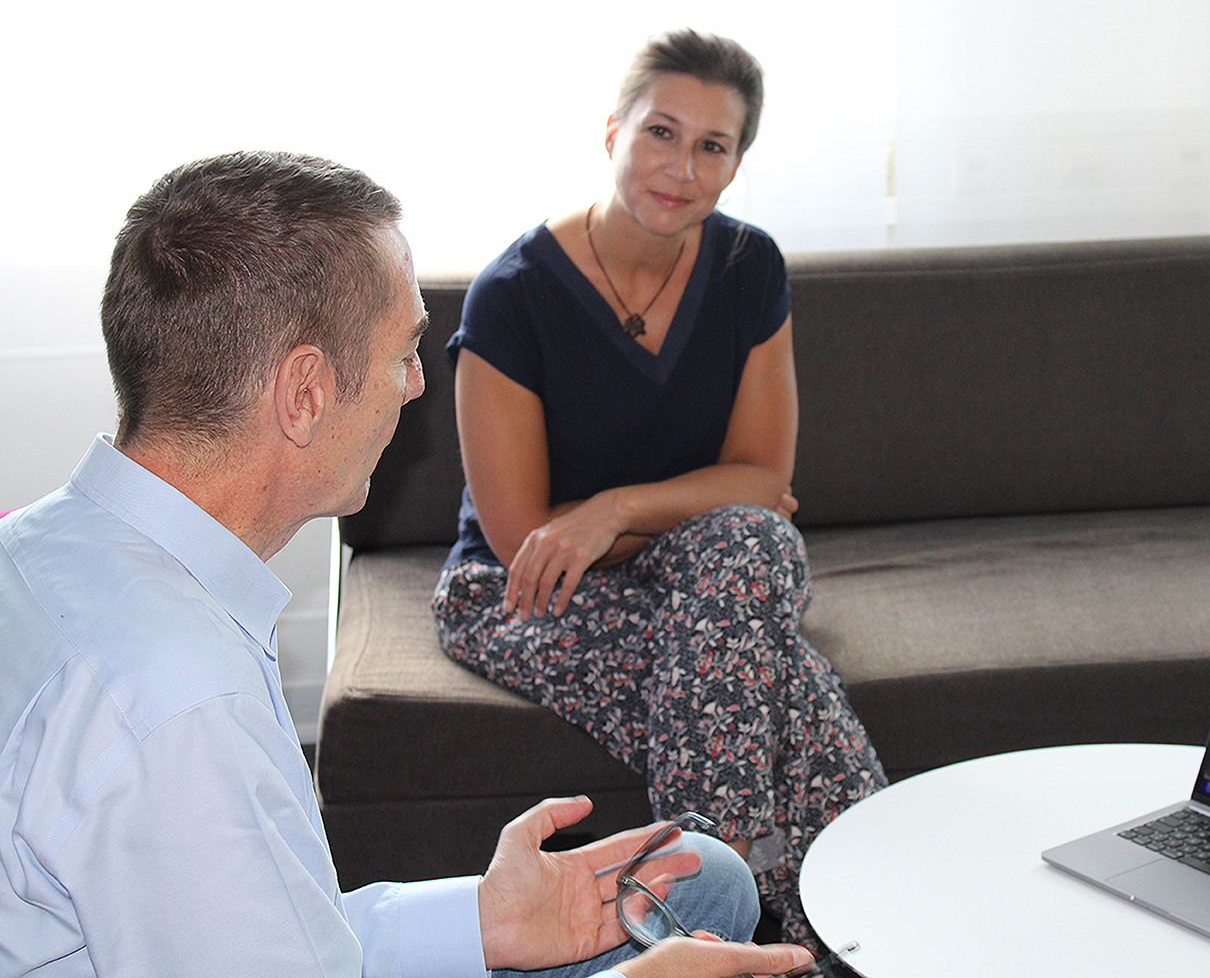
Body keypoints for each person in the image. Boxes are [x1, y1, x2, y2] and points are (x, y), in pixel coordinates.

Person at [0, 150, 813, 978]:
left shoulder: (43, 547)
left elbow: (256, 928)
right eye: (403, 353)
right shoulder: (175, 704)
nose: (419, 385)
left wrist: (479, 921)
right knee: (697, 913)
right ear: (305, 394)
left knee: (703, 876)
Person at [432, 29, 886, 944]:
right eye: (660, 133)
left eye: (712, 146)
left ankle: (718, 928)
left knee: (755, 547)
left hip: (691, 570)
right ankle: (830, 934)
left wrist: (614, 511)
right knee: (774, 684)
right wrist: (672, 514)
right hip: (520, 592)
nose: (680, 167)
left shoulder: (748, 267)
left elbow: (763, 485)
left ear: (736, 165)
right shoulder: (513, 294)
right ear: (612, 134)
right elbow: (528, 536)